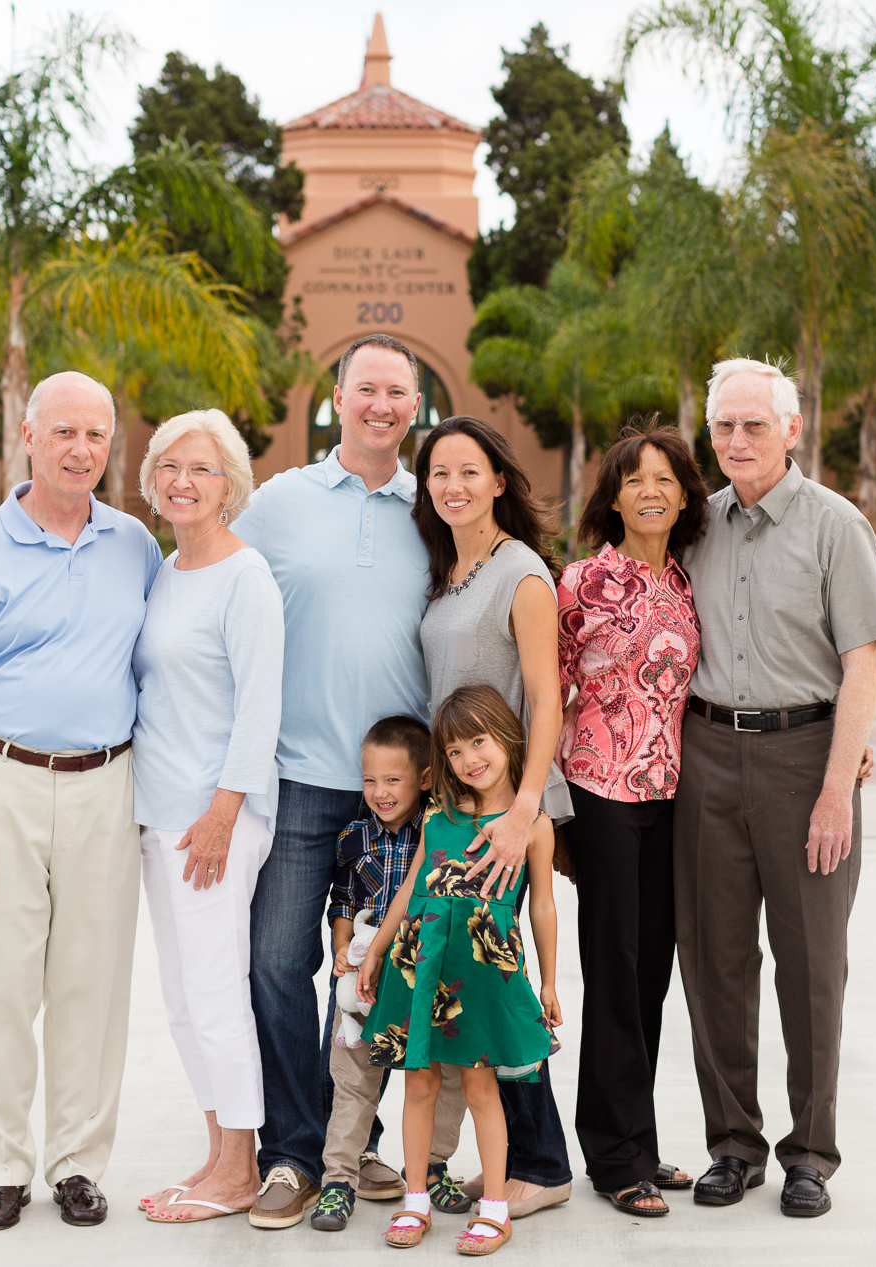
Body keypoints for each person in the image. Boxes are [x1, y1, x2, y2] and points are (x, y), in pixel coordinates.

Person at [0, 371, 161, 1231]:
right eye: (64, 433)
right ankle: (3, 1167)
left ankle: (79, 1163)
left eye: (96, 435)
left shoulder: (137, 544)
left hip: (106, 781)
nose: (81, 450)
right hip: (0, 780)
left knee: (93, 979)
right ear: (27, 435)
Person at [234, 333, 467, 1228]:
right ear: (338, 396)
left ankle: (360, 1147)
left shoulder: (434, 509)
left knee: (379, 970)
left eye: (398, 391)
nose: (381, 404)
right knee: (278, 964)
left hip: (403, 794)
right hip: (296, 777)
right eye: (365, 388)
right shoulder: (279, 502)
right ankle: (292, 1153)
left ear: (418, 404)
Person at [675, 358, 876, 1219]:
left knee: (812, 966)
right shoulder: (698, 525)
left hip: (807, 759)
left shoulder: (836, 525)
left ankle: (810, 1154)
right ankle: (733, 1146)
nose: (736, 441)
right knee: (714, 961)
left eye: (754, 426)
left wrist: (839, 782)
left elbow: (863, 661)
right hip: (707, 754)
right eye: (724, 426)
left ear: (791, 430)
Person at [412, 415, 574, 1214]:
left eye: (470, 471)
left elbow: (546, 696)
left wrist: (522, 810)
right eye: (440, 473)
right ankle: (519, 1155)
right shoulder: (450, 572)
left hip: (505, 810)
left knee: (500, 986)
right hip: (459, 805)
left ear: (500, 481)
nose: (454, 486)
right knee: (472, 981)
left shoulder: (522, 572)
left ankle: (541, 1167)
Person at [128, 410, 285, 1224]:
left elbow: (261, 704)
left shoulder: (244, 575)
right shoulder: (163, 568)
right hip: (158, 813)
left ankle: (241, 1167)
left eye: (203, 468)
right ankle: (218, 1150)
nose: (182, 480)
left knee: (218, 990)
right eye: (169, 466)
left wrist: (226, 810)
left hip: (213, 819)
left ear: (232, 485)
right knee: (184, 997)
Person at [556, 426, 708, 1216]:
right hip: (600, 793)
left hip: (672, 798)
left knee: (651, 972)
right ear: (612, 496)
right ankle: (613, 1157)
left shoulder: (688, 581)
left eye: (665, 478)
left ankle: (638, 1142)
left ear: (685, 494)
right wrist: (550, 816)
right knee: (613, 972)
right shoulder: (582, 581)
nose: (651, 490)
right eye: (634, 479)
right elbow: (547, 694)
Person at [357, 685, 561, 1256]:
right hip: (421, 963)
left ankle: (494, 1207)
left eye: (479, 741)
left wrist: (547, 980)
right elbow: (411, 886)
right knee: (418, 1082)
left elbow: (542, 905)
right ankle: (415, 1198)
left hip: (482, 971)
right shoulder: (437, 818)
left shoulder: (531, 825)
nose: (469, 759)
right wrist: (376, 949)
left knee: (480, 1085)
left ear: (507, 737)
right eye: (453, 751)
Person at [311, 714, 467, 1232]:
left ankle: (434, 1166)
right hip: (365, 972)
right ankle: (339, 1179)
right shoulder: (354, 836)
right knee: (352, 1077)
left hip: (430, 967)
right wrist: (341, 950)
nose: (379, 792)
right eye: (369, 780)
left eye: (392, 780)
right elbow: (344, 900)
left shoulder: (441, 827)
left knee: (443, 1076)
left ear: (424, 778)